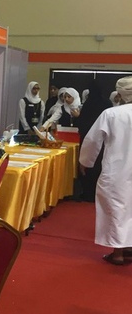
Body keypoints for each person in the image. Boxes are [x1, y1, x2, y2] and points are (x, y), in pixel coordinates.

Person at [79, 76, 132, 266]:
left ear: (119, 94)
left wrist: (85, 161)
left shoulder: (111, 114)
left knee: (117, 207)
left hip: (117, 170)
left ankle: (118, 253)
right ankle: (129, 247)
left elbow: (93, 140)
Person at [74, 79, 112, 202]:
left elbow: (82, 122)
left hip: (87, 138)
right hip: (103, 140)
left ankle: (87, 193)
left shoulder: (88, 103)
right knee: (100, 166)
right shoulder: (107, 103)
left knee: (86, 165)